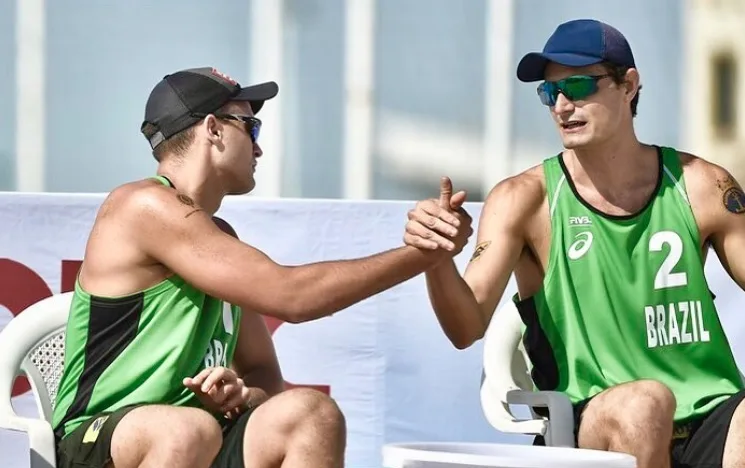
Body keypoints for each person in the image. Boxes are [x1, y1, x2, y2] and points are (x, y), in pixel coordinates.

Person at [51, 66, 473, 468]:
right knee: (185, 430)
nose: (259, 147)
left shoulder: (218, 238)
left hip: (196, 437)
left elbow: (264, 375)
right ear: (213, 129)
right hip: (94, 438)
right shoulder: (141, 205)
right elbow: (293, 297)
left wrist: (243, 395)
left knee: (311, 414)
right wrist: (424, 254)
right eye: (250, 128)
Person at [407, 19, 745, 468]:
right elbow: (464, 327)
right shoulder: (524, 199)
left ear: (629, 85)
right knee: (645, 404)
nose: (563, 105)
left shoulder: (702, 184)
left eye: (580, 85)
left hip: (710, 415)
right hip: (595, 420)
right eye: (551, 93)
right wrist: (435, 260)